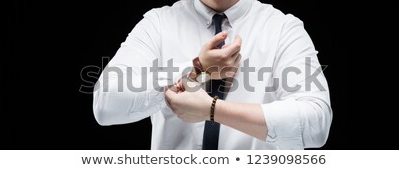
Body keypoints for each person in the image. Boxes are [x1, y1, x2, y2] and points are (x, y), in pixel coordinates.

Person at [93, 0, 332, 150]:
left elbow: (315, 125)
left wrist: (213, 110)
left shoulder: (282, 28)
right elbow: (106, 105)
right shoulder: (158, 23)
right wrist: (197, 69)